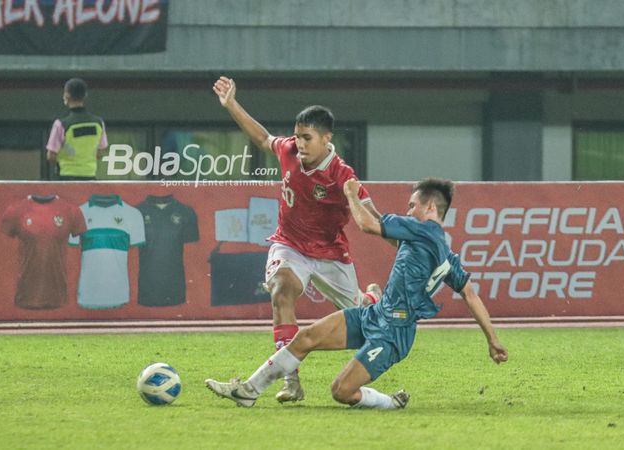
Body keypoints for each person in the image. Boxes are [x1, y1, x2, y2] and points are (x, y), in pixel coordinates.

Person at [205, 178, 508, 409]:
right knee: (305, 337)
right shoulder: (443, 251)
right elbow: (470, 294)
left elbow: (366, 224)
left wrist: (350, 192)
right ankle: (249, 391)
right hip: (374, 315)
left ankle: (390, 403)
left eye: (412, 205)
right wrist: (493, 340)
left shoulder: (423, 229)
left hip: (393, 333)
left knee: (341, 391)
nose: (408, 210)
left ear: (430, 208)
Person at [212, 76, 382, 403]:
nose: (299, 143)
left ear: (326, 139)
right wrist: (231, 103)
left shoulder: (341, 174)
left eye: (307, 138)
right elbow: (262, 137)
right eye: (297, 136)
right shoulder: (288, 149)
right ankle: (291, 381)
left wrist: (401, 236)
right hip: (289, 245)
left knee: (364, 321)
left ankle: (370, 301)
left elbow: (370, 210)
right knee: (281, 290)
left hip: (330, 255)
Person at [46, 78, 108, 181]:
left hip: (66, 178)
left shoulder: (61, 124)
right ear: (85, 96)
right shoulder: (98, 123)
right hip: (90, 178)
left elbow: (51, 155)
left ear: (67, 95)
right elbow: (100, 152)